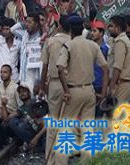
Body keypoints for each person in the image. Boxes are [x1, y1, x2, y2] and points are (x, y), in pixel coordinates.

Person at [54, 15, 109, 165]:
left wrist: (66, 90)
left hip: (74, 91)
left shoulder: (69, 46)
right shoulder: (93, 45)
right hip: (90, 91)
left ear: (71, 30)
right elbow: (105, 68)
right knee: (88, 131)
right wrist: (103, 92)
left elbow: (60, 68)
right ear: (83, 29)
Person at [39, 15, 70, 160]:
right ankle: (62, 158)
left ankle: (50, 159)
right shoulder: (73, 42)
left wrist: (42, 86)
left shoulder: (50, 42)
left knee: (53, 122)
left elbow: (44, 66)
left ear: (59, 26)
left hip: (55, 84)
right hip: (71, 86)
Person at [9, 82, 46, 152]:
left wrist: (36, 138)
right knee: (13, 122)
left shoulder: (36, 102)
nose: (22, 93)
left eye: (24, 91)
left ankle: (37, 145)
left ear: (29, 93)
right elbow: (9, 117)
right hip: (33, 132)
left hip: (43, 134)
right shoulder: (21, 109)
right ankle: (34, 145)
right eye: (20, 92)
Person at [107, 15, 130, 103]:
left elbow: (117, 67)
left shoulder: (120, 43)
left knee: (115, 115)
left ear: (117, 28)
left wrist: (111, 88)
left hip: (121, 85)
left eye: (111, 26)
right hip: (123, 84)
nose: (108, 28)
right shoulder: (123, 40)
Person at [11, 13, 42, 90]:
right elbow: (12, 30)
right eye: (26, 22)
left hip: (34, 81)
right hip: (22, 78)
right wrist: (22, 23)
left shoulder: (41, 39)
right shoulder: (24, 35)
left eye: (30, 22)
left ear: (36, 24)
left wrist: (38, 82)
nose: (27, 24)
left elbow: (40, 63)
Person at [0, 65, 18, 149]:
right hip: (3, 112)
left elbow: (20, 107)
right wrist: (0, 111)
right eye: (1, 72)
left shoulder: (16, 87)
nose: (2, 74)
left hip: (13, 114)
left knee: (11, 122)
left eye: (5, 72)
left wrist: (9, 117)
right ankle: (0, 144)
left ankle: (15, 140)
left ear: (10, 74)